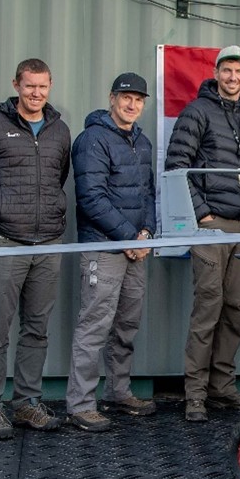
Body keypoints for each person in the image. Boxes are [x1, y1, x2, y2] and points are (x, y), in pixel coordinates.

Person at [0, 58, 71, 440]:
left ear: (50, 86)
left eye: (42, 86)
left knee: (36, 330)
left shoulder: (60, 131)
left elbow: (60, 178)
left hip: (48, 245)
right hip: (5, 244)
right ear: (16, 85)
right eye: (29, 86)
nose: (36, 93)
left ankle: (26, 403)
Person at [165, 45, 240, 422]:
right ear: (216, 72)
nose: (232, 77)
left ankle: (222, 387)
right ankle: (195, 393)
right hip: (213, 226)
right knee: (208, 307)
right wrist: (203, 214)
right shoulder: (197, 112)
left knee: (234, 307)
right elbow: (177, 165)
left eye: (239, 72)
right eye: (226, 70)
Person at [64, 72, 157, 432]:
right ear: (111, 98)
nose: (132, 104)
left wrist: (146, 232)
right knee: (95, 324)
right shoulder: (92, 140)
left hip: (135, 245)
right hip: (103, 247)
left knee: (126, 323)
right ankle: (81, 403)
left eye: (138, 99)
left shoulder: (142, 142)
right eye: (125, 97)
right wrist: (128, 238)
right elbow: (91, 198)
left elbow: (148, 194)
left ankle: (119, 391)